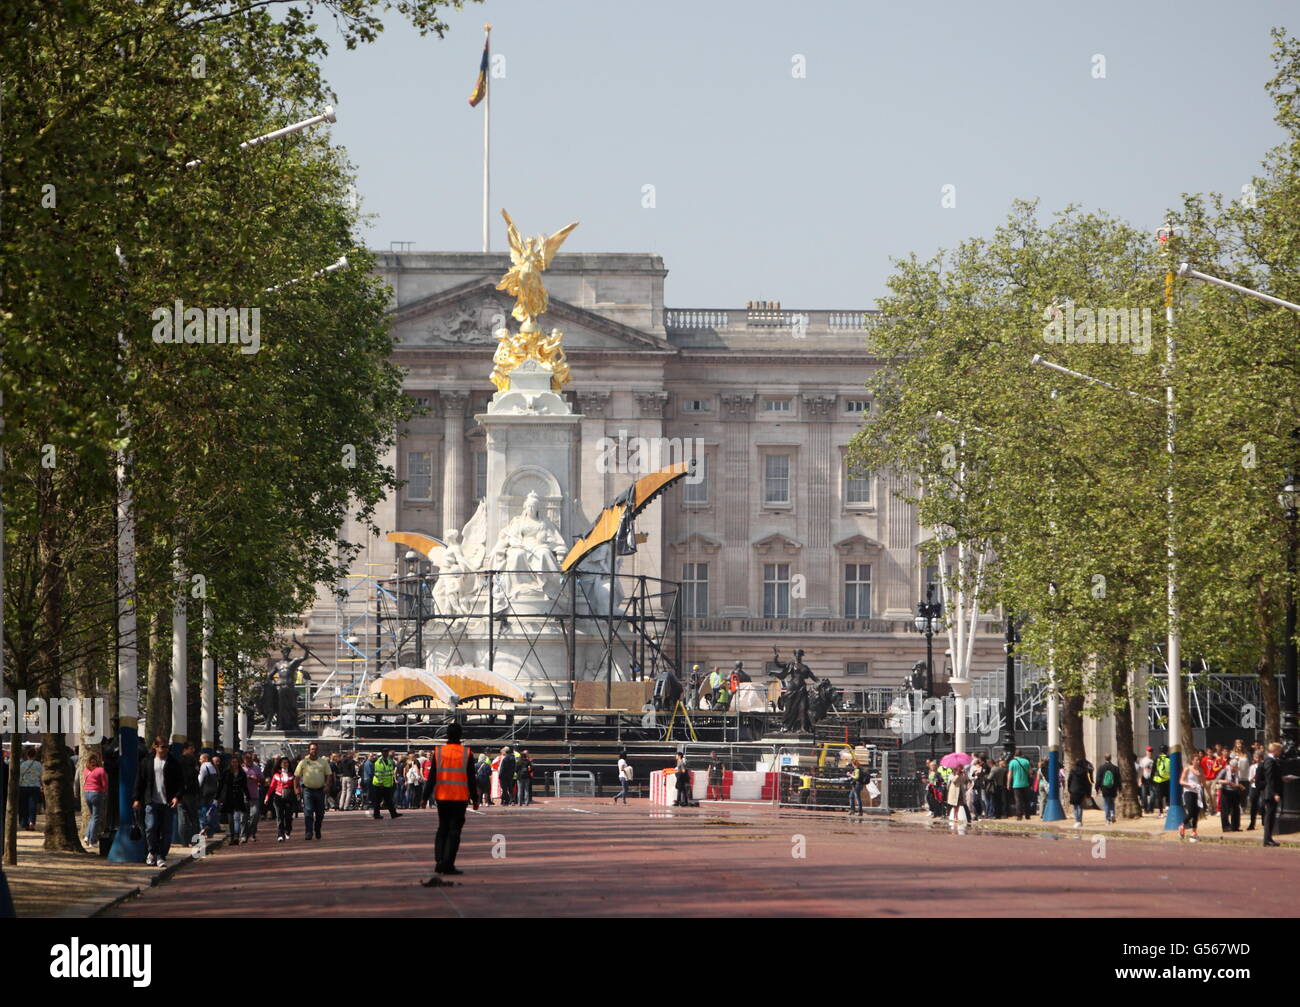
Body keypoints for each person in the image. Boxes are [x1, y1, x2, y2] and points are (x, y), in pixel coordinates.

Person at [420, 724, 480, 885]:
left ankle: (439, 860)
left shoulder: (438, 752)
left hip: (442, 796)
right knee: (454, 831)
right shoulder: (467, 753)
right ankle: (448, 863)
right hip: (459, 798)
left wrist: (424, 797)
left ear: (446, 734)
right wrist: (475, 799)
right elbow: (471, 779)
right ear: (461, 735)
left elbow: (432, 777)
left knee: (442, 828)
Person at [132, 737, 183, 868]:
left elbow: (180, 782)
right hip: (151, 800)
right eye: (162, 747)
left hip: (167, 802)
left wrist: (177, 797)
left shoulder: (173, 763)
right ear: (155, 746)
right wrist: (137, 798)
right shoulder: (147, 762)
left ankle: (161, 856)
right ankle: (152, 852)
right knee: (151, 827)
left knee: (166, 831)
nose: (165, 749)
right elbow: (140, 781)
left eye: (167, 747)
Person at [295, 742, 333, 840]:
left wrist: (327, 786)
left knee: (320, 813)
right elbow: (297, 776)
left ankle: (317, 828)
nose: (314, 751)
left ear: (318, 750)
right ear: (309, 750)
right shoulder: (303, 762)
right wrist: (297, 789)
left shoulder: (323, 762)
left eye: (315, 749)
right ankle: (308, 832)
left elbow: (329, 775)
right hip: (307, 790)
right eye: (312, 749)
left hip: (320, 790)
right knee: (308, 812)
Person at [217, 755, 249, 844]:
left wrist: (248, 797)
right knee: (230, 819)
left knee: (237, 818)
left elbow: (245, 787)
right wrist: (217, 797)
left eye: (236, 762)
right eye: (233, 762)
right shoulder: (226, 773)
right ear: (230, 763)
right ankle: (231, 836)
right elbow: (221, 785)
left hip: (238, 797)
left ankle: (236, 836)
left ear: (238, 763)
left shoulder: (242, 773)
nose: (234, 764)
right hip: (228, 798)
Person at [1259, 741, 1284, 847]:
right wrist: (1274, 793)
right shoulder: (1269, 760)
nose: (1280, 752)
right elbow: (1269, 778)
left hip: (1271, 792)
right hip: (1270, 793)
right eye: (1279, 750)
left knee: (1271, 815)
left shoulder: (1273, 760)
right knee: (1269, 815)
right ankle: (1267, 839)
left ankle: (1269, 838)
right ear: (1274, 750)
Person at [81, 752, 108, 848]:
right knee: (96, 817)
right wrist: (105, 792)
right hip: (96, 793)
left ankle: (87, 836)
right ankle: (92, 840)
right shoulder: (100, 770)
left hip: (86, 793)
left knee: (93, 816)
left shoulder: (86, 771)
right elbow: (104, 784)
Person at [266, 757, 296, 841]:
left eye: (287, 762)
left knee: (288, 817)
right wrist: (267, 797)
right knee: (279, 817)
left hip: (288, 797)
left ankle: (287, 830)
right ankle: (280, 834)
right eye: (283, 763)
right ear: (280, 764)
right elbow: (271, 787)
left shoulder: (292, 775)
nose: (285, 764)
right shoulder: (276, 775)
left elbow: (296, 786)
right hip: (278, 797)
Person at [1179, 751, 1204, 842]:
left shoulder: (1200, 770)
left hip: (1197, 792)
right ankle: (1182, 825)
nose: (1198, 762)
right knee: (1191, 812)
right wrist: (1189, 785)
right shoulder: (1187, 769)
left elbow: (1202, 782)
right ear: (1192, 761)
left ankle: (1194, 832)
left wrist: (1201, 784)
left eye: (1199, 760)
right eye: (1196, 760)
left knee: (1196, 813)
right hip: (1188, 791)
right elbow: (1181, 781)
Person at [1216, 754, 1243, 832]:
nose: (1234, 769)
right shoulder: (1224, 770)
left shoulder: (1237, 772)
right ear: (1230, 766)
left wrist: (1239, 786)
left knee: (1235, 809)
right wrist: (1227, 782)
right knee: (1225, 810)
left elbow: (1237, 781)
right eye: (1233, 767)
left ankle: (1235, 826)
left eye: (1236, 767)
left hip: (1235, 792)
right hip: (1226, 791)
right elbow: (1218, 780)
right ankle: (1226, 827)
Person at [369, 749, 400, 820]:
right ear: (382, 753)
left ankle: (393, 814)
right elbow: (378, 774)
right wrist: (381, 783)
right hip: (379, 785)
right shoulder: (379, 762)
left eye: (387, 752)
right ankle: (376, 814)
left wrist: (391, 782)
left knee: (389, 800)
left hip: (387, 784)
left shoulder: (389, 761)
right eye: (385, 752)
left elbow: (390, 772)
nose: (386, 753)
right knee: (378, 800)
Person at [197, 753, 221, 838]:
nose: (200, 761)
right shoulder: (213, 766)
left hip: (204, 792)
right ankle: (210, 831)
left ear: (206, 759)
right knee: (211, 811)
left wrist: (197, 789)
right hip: (213, 792)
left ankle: (203, 827)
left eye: (201, 759)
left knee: (202, 810)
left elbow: (200, 779)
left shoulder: (204, 766)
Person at [242, 752, 263, 842]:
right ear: (244, 760)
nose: (249, 760)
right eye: (247, 758)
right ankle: (243, 835)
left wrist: (256, 779)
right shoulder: (241, 769)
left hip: (254, 795)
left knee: (254, 815)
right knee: (243, 817)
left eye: (250, 758)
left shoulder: (256, 768)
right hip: (243, 796)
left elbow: (262, 780)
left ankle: (252, 832)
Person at [19, 748, 42, 831]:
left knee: (24, 805)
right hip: (35, 786)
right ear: (35, 755)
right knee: (33, 805)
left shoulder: (22, 764)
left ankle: (24, 823)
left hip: (23, 786)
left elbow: (19, 776)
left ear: (27, 755)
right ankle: (31, 822)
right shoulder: (39, 765)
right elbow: (41, 776)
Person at [1007, 748, 1033, 820]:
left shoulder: (1012, 762)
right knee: (1026, 800)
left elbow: (1010, 774)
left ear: (1015, 754)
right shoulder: (1026, 761)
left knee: (1018, 800)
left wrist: (1008, 784)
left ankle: (1019, 816)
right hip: (1025, 784)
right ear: (1022, 754)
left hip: (1016, 785)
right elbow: (1030, 772)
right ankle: (1027, 815)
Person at [1067, 758, 1092, 828]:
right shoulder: (1084, 771)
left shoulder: (1072, 770)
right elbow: (1087, 783)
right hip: (1081, 790)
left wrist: (1069, 789)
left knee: (1075, 806)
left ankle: (1076, 820)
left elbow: (1069, 780)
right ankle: (1080, 821)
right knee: (1080, 806)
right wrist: (1088, 793)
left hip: (1073, 790)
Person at [1095, 755, 1120, 824]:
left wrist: (1097, 788)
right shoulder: (1115, 768)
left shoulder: (1101, 768)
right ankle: (1112, 814)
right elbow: (1118, 779)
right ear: (1111, 758)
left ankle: (1108, 819)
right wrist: (1119, 788)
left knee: (1106, 803)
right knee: (1112, 802)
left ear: (1104, 758)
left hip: (1104, 788)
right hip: (1113, 788)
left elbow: (1098, 779)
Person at [1247, 749, 1264, 830]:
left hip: (1262, 787)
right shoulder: (1252, 767)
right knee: (1253, 805)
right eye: (1256, 757)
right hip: (1254, 787)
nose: (1257, 759)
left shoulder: (1264, 766)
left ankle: (1264, 822)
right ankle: (1252, 823)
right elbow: (1250, 779)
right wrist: (1255, 779)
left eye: (1259, 757)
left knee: (1262, 804)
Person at [1152, 745, 1171, 814]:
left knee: (1159, 797)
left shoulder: (1157, 758)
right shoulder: (1169, 758)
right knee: (1168, 796)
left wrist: (1152, 779)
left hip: (1158, 780)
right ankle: (1167, 808)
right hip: (1168, 779)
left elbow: (1153, 769)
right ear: (1167, 750)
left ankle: (1160, 812)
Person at [1137, 746, 1155, 812]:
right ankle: (1145, 808)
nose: (1149, 752)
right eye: (1148, 751)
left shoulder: (1154, 761)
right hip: (1144, 779)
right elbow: (1140, 770)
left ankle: (1150, 808)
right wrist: (1139, 780)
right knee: (1143, 795)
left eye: (1150, 751)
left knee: (1153, 795)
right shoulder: (1143, 760)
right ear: (1146, 752)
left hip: (1152, 780)